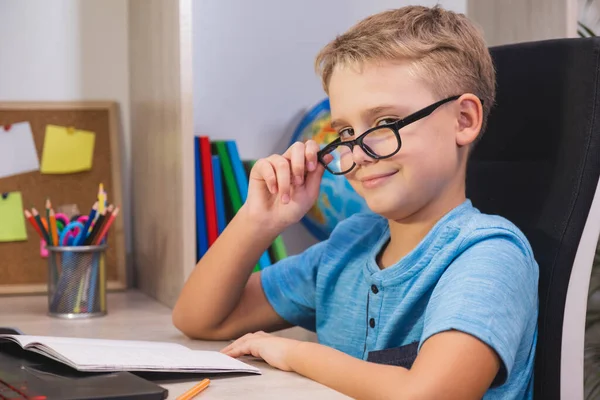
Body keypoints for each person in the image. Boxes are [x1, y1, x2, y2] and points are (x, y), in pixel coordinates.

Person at [172, 5, 538, 399]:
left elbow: (427, 395)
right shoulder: (350, 246)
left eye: (384, 124)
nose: (357, 152)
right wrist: (258, 221)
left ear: (463, 120)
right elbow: (198, 319)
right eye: (345, 130)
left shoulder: (488, 254)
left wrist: (296, 353)